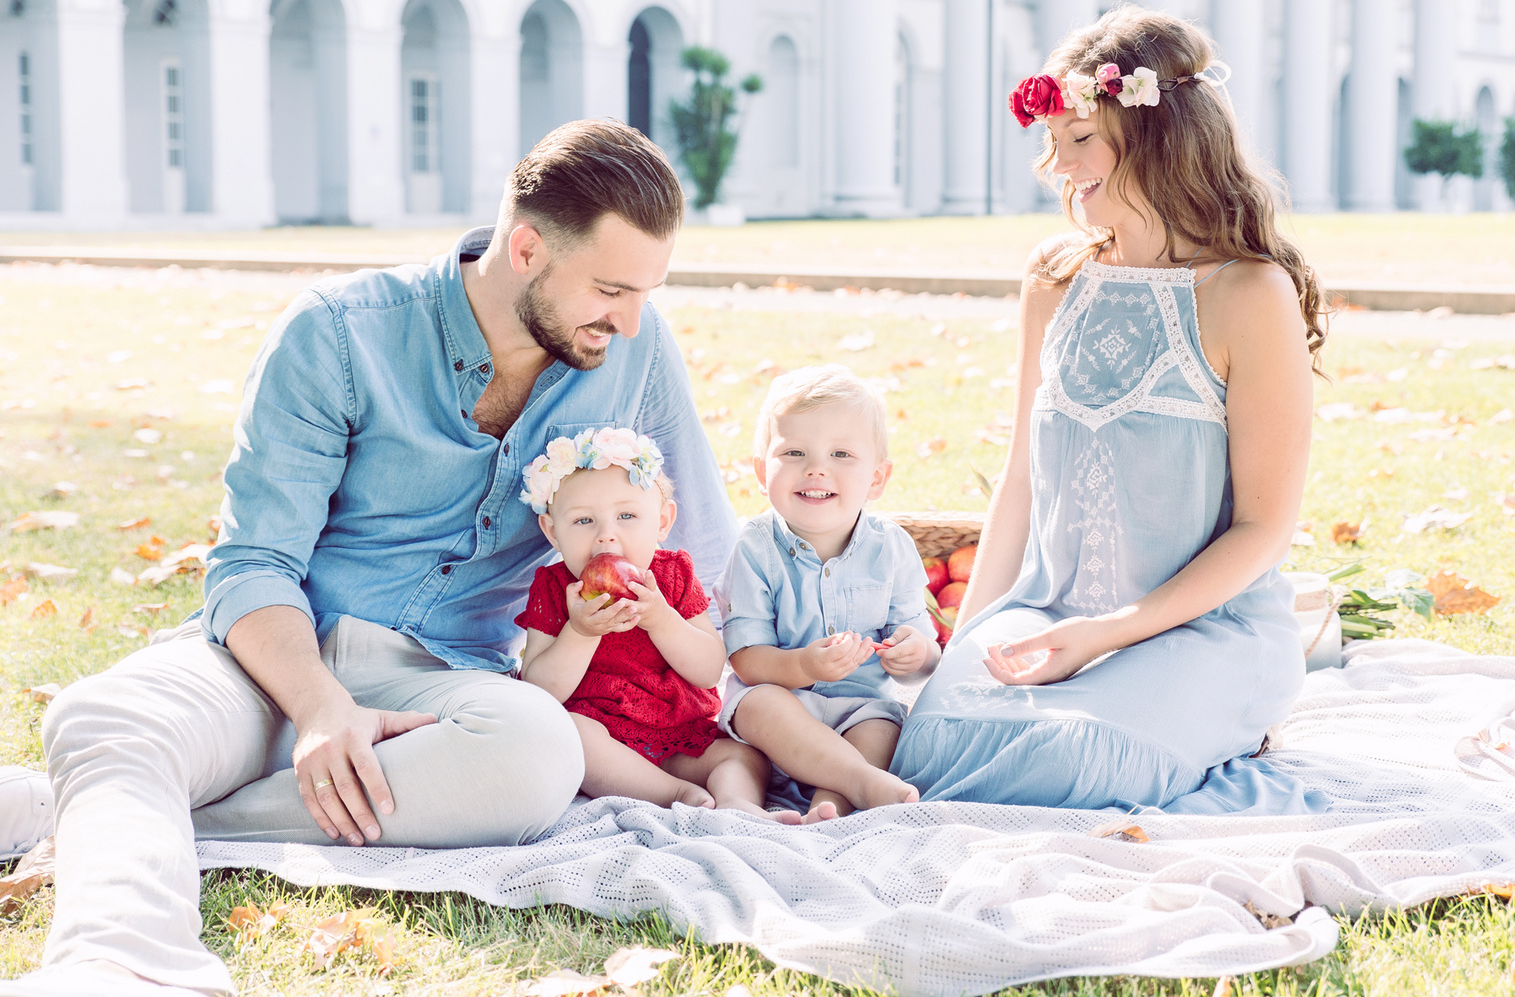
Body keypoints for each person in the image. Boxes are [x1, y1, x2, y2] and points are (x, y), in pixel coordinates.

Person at [1, 120, 735, 997]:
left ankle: (124, 807)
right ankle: (120, 966)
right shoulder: (339, 333)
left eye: (646, 292)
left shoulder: (633, 351)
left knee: (540, 755)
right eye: (612, 288)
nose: (630, 319)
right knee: (102, 715)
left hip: (450, 688)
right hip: (279, 658)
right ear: (529, 248)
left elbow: (704, 543)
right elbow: (254, 561)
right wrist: (318, 710)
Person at [890, 6, 1325, 812]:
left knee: (1085, 764)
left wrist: (1107, 633)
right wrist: (961, 650)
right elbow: (1019, 481)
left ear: (1158, 136)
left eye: (1078, 138)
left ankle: (1225, 715)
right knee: (931, 747)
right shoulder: (1053, 277)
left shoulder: (1248, 293)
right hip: (1046, 612)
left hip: (1200, 632)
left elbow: (1264, 530)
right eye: (1050, 139)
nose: (1055, 163)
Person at [516, 426, 798, 823]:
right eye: (583, 521)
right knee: (570, 733)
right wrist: (580, 634)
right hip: (608, 746)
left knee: (741, 755)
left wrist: (662, 620)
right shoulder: (555, 589)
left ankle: (737, 804)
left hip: (678, 734)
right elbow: (540, 692)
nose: (606, 537)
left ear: (663, 522)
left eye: (627, 516)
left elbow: (706, 671)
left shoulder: (672, 577)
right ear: (552, 532)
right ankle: (675, 796)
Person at [716, 365, 939, 817]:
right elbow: (745, 657)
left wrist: (915, 655)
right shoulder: (756, 547)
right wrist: (802, 664)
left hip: (858, 709)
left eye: (841, 454)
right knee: (758, 706)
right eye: (794, 452)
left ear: (877, 478)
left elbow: (922, 649)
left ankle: (830, 805)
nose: (816, 469)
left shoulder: (891, 547)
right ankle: (858, 782)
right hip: (776, 715)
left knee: (884, 727)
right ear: (762, 471)